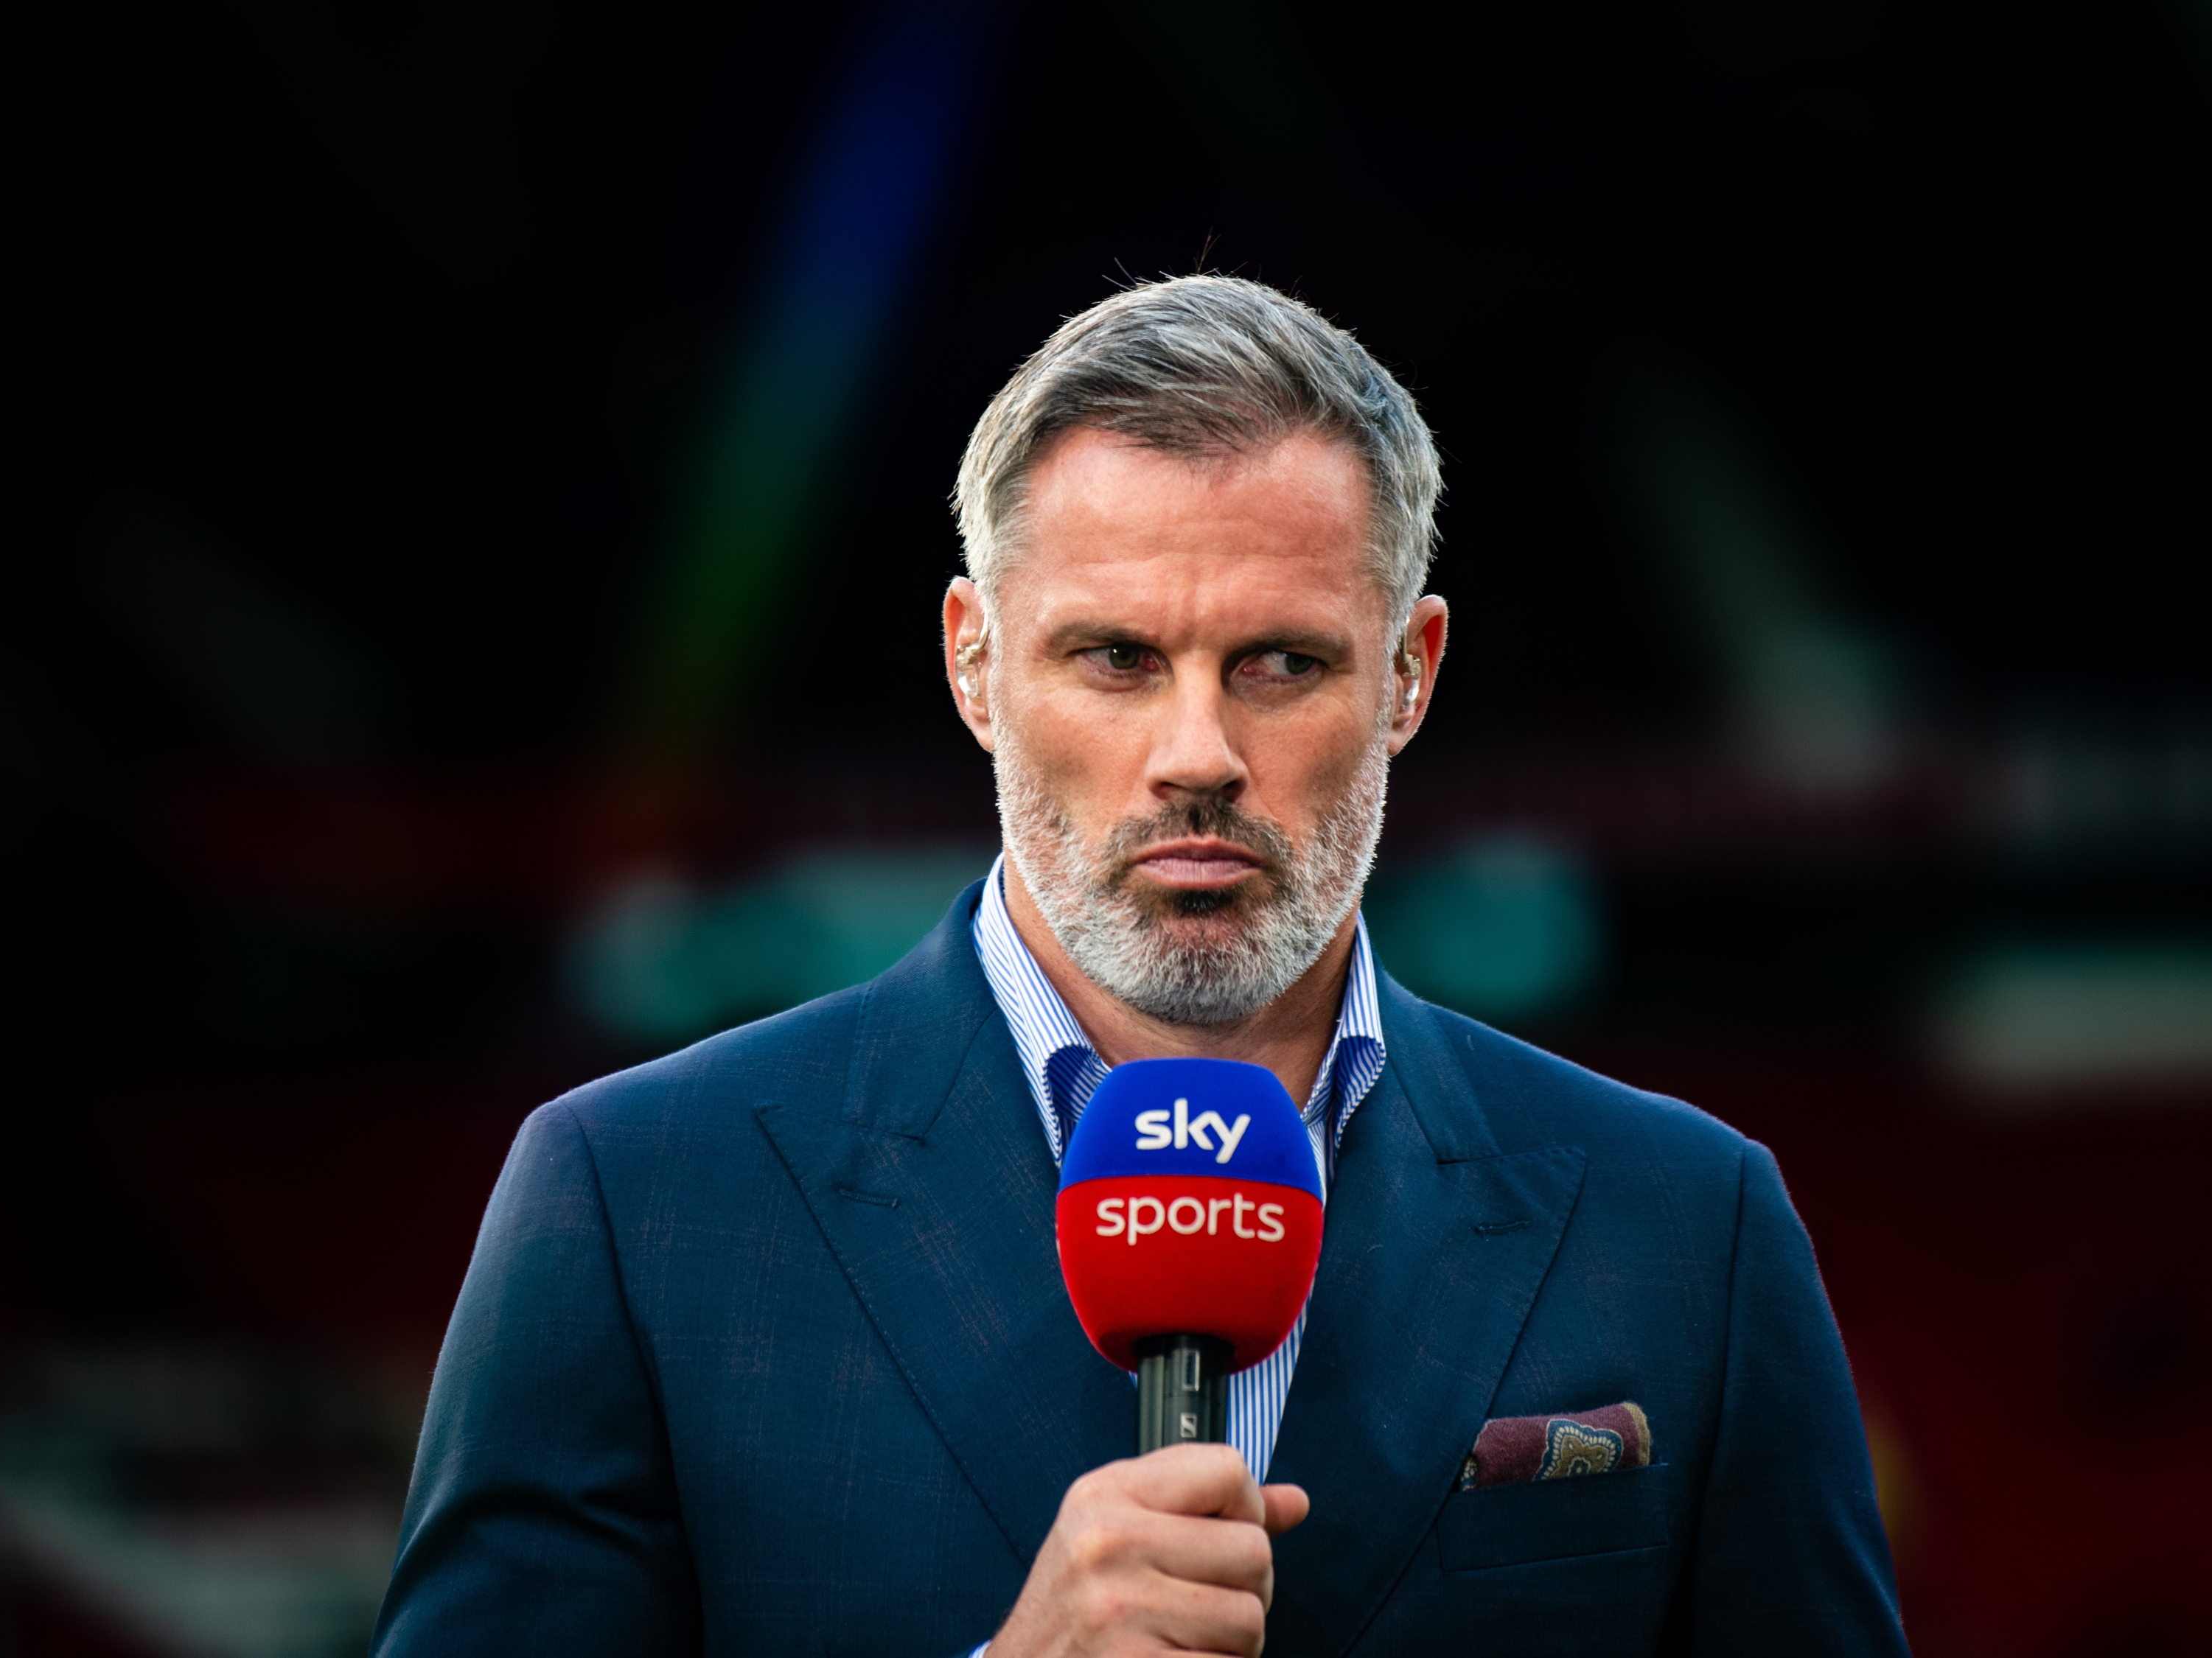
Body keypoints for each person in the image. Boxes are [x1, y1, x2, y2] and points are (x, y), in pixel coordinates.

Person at [371, 276, 1905, 1657]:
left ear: (1410, 677)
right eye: (1115, 659)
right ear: (976, 663)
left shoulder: (1690, 1228)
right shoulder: (636, 1201)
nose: (1198, 757)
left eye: (1282, 663)